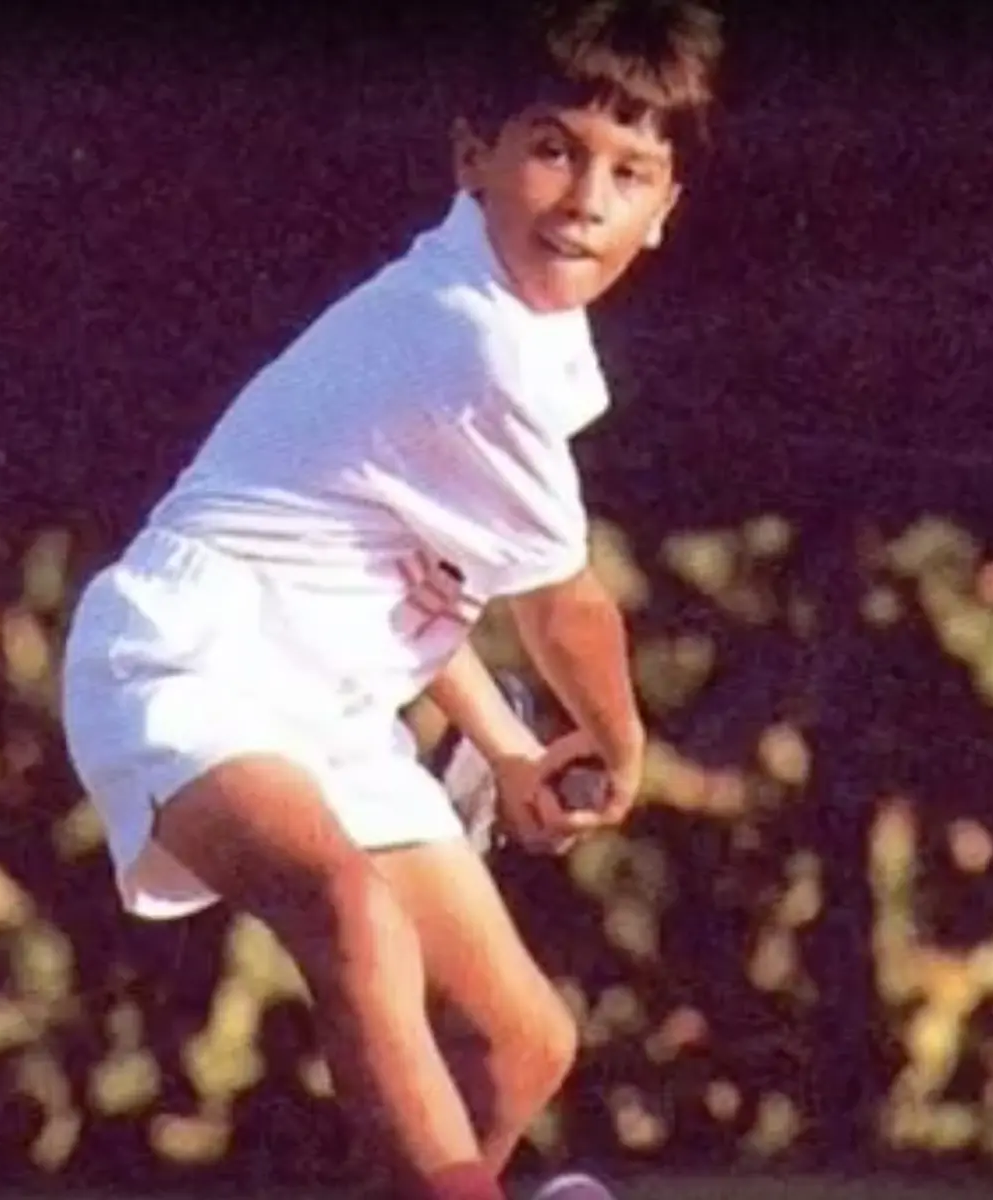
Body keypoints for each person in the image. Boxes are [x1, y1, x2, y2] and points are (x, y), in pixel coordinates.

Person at [61, 1, 722, 1195]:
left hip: (333, 703)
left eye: (630, 173)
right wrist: (618, 743)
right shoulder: (474, 337)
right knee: (350, 909)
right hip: (188, 659)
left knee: (522, 1044)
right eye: (554, 146)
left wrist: (512, 752)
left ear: (664, 212)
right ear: (472, 156)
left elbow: (402, 589)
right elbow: (565, 612)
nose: (584, 197)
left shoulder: (534, 334)